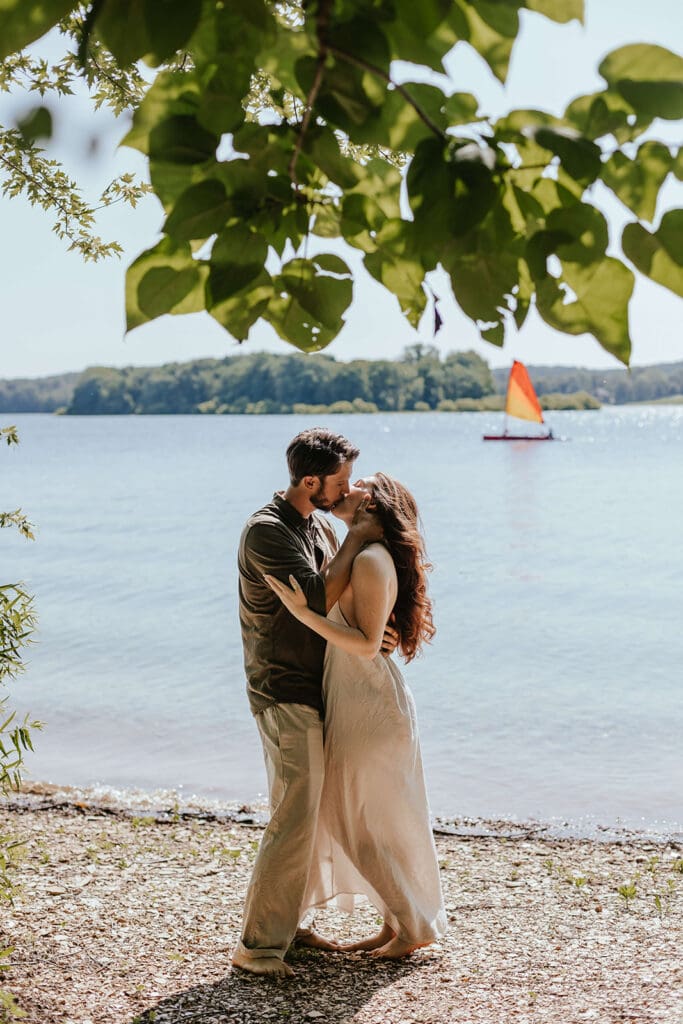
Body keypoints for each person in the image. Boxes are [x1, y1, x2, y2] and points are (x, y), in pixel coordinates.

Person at [232, 429, 395, 978]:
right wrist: (360, 537)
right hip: (282, 687)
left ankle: (288, 926)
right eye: (341, 481)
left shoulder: (318, 524)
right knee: (294, 816)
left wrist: (377, 633)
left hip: (317, 683)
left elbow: (338, 602)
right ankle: (257, 947)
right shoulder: (267, 533)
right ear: (309, 481)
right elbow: (318, 597)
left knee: (307, 813)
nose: (348, 491)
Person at [266, 472, 447, 959]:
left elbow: (368, 644)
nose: (347, 489)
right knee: (377, 820)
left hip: (367, 706)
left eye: (360, 485)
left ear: (376, 506)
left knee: (352, 819)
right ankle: (397, 924)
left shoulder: (369, 559)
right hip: (361, 700)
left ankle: (411, 925)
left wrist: (304, 615)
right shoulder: (364, 552)